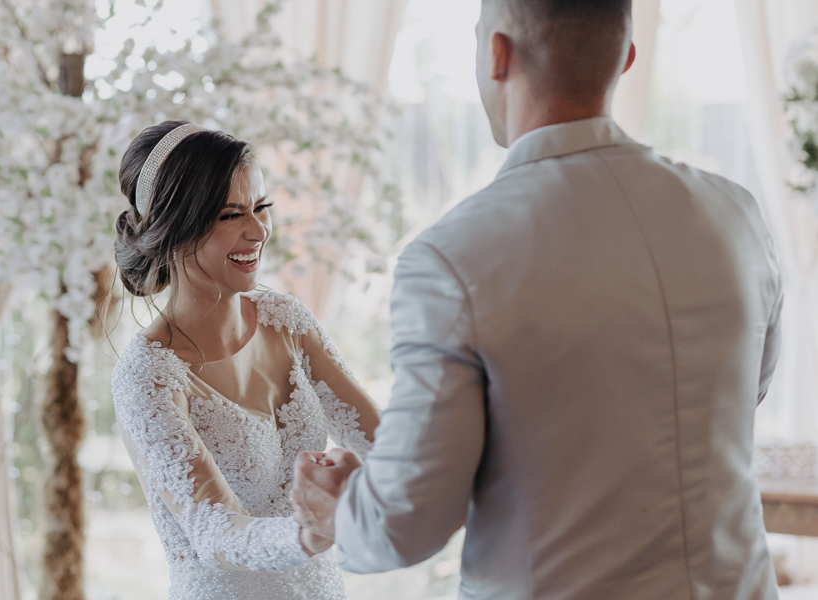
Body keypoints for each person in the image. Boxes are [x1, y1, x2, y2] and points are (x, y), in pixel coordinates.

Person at [291, 0, 784, 598]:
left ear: (497, 53)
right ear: (625, 58)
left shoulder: (453, 257)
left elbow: (406, 522)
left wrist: (336, 512)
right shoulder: (736, 213)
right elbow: (741, 391)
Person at [110, 121, 379, 600]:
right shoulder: (146, 376)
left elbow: (384, 443)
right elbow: (216, 533)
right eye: (230, 215)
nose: (257, 231)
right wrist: (313, 530)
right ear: (175, 227)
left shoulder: (287, 322)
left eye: (261, 208)